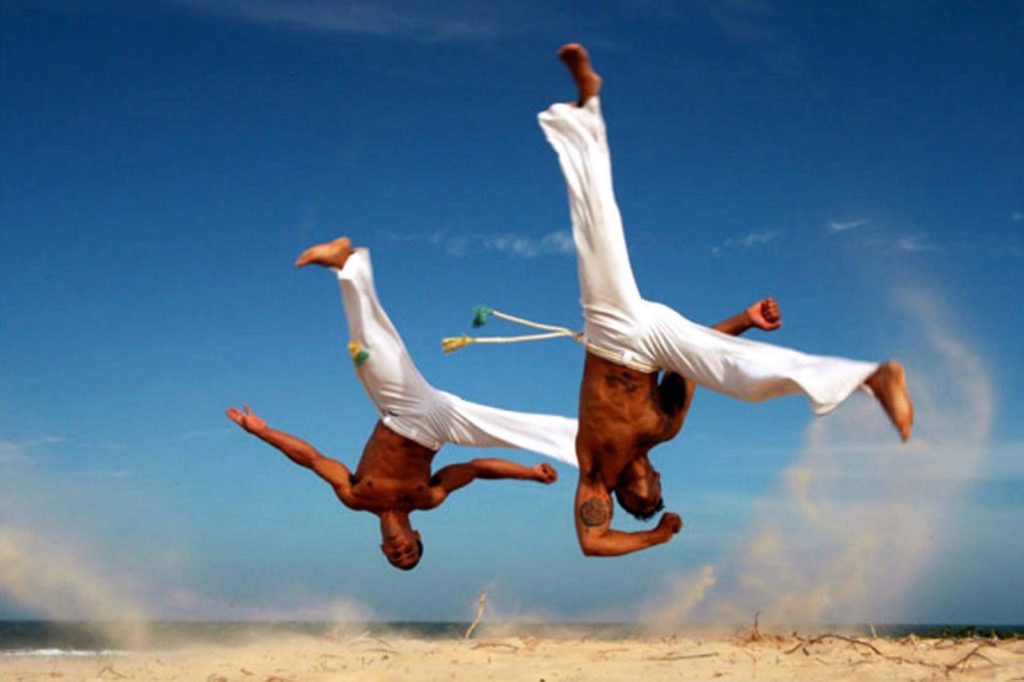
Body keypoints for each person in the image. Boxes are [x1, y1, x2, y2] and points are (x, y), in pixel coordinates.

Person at [538, 44, 914, 557]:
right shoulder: (666, 426)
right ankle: (871, 376)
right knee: (742, 379)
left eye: (643, 493)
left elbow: (592, 543)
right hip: (656, 341)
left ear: (623, 493)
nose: (649, 483)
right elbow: (702, 359)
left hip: (611, 336)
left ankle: (586, 108)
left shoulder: (596, 473)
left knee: (597, 228)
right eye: (655, 491)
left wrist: (650, 534)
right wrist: (747, 321)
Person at [227, 238, 577, 570]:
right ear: (416, 535)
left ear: (384, 549)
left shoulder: (356, 497)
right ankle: (598, 446)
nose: (400, 548)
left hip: (401, 412)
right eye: (408, 550)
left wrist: (263, 432)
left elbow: (313, 459)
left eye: (396, 555)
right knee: (518, 431)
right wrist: (529, 473)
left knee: (370, 355)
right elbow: (475, 469)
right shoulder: (427, 498)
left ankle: (346, 263)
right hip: (440, 427)